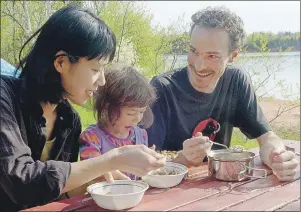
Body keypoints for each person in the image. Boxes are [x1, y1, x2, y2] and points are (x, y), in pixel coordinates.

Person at [0, 5, 165, 211]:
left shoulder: (69, 120)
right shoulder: (5, 98)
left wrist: (93, 181)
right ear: (61, 62)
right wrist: (110, 160)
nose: (102, 81)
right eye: (96, 69)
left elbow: (54, 192)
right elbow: (20, 182)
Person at [146, 6, 299, 181]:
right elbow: (143, 162)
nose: (199, 66)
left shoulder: (235, 81)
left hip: (218, 190)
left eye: (212, 56)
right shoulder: (162, 88)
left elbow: (266, 138)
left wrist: (276, 156)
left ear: (233, 55)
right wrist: (183, 159)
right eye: (194, 51)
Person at [79, 66, 156, 182]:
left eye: (142, 112)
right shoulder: (92, 137)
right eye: (131, 113)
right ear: (106, 107)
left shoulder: (141, 135)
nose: (137, 119)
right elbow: (89, 172)